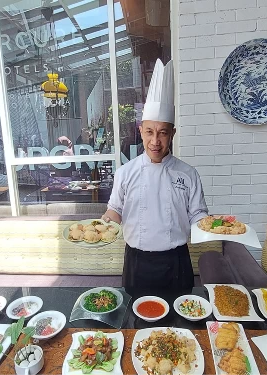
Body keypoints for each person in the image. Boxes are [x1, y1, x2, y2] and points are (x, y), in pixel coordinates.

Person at [101, 59, 208, 290]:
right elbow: (115, 210)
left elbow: (198, 214)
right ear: (140, 131)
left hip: (177, 261)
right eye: (149, 132)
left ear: (173, 133)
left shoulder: (189, 174)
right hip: (136, 261)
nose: (155, 141)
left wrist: (214, 225)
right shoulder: (125, 173)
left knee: (180, 323)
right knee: (135, 323)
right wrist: (105, 223)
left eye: (162, 133)